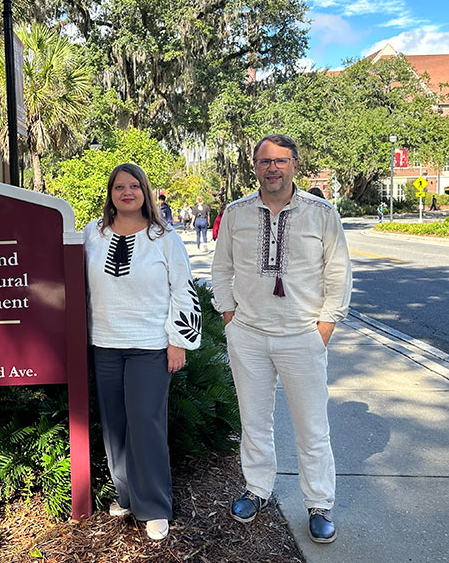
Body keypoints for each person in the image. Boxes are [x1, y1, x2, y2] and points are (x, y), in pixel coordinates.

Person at [211, 134, 352, 544]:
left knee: (312, 426)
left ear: (294, 165)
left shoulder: (320, 212)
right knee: (254, 421)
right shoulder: (236, 213)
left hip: (302, 336)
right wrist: (230, 315)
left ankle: (319, 503)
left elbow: (338, 273)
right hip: (249, 336)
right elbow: (221, 269)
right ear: (254, 166)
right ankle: (257, 491)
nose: (272, 167)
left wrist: (324, 327)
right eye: (264, 160)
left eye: (281, 160)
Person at [83, 163, 201, 541]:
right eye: (120, 186)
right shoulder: (92, 235)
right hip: (105, 343)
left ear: (145, 192)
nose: (127, 192)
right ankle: (127, 496)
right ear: (110, 194)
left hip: (149, 347)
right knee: (115, 426)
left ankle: (154, 506)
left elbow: (182, 288)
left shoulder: (163, 237)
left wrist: (178, 340)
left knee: (146, 426)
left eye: (135, 186)